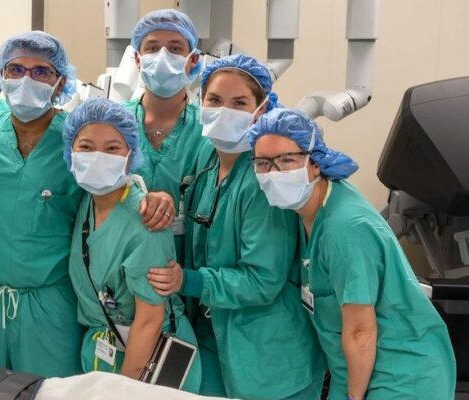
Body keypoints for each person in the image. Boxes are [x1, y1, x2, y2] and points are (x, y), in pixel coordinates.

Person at [147, 55, 324, 399]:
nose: (224, 110)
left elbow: (262, 280)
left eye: (239, 103)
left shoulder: (263, 179)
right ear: (200, 101)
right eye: (214, 100)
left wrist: (188, 280)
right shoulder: (207, 158)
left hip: (266, 349)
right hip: (212, 333)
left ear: (261, 108)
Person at [248, 109, 456, 400]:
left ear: (315, 163)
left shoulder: (344, 229)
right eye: (263, 163)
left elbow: (361, 332)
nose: (274, 173)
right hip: (359, 370)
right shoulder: (311, 211)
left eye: (287, 160)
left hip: (403, 374)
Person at [0, 31, 83, 377]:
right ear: (1, 75)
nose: (26, 79)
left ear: (60, 83)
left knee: (51, 392)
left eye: (41, 71)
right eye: (15, 69)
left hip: (52, 304)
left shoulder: (76, 141)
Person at [63, 97, 200, 392]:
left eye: (112, 148)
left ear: (131, 154)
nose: (98, 157)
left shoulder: (145, 222)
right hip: (108, 346)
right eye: (86, 147)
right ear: (69, 153)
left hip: (153, 359)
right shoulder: (90, 201)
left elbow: (150, 321)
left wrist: (123, 390)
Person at [125, 9, 208, 257]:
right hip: (121, 261)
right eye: (151, 48)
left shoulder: (209, 129)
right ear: (138, 60)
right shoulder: (112, 124)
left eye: (175, 48)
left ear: (193, 60)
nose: (162, 56)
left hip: (186, 268)